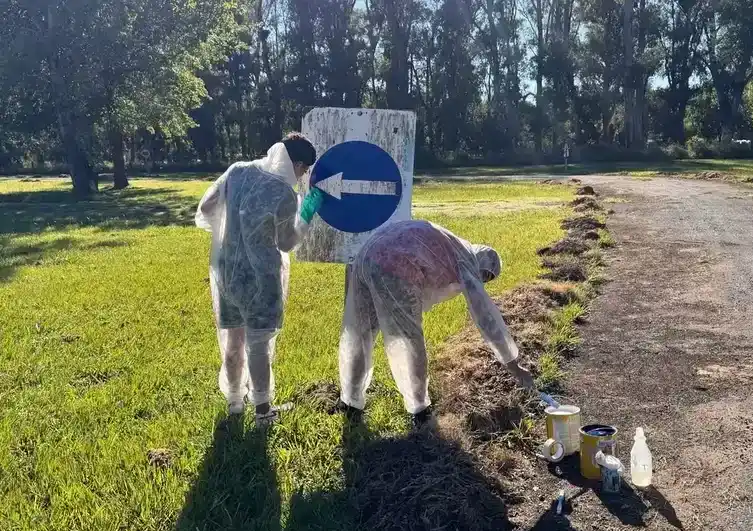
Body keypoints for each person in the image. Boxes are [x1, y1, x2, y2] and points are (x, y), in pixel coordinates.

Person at [337, 219, 534, 427]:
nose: (483, 281)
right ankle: (419, 410)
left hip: (366, 254)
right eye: (486, 276)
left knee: (360, 332)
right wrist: (515, 366)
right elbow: (487, 318)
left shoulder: (454, 246)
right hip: (396, 265)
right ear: (483, 266)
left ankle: (350, 401)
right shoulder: (467, 261)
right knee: (410, 340)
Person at [195, 133, 325, 425]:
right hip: (261, 277)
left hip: (228, 271)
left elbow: (206, 209)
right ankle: (263, 411)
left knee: (232, 339)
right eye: (304, 170)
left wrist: (235, 223)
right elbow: (287, 242)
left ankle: (234, 402)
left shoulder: (237, 171)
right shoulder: (283, 192)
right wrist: (306, 212)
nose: (301, 177)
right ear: (297, 164)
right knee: (258, 344)